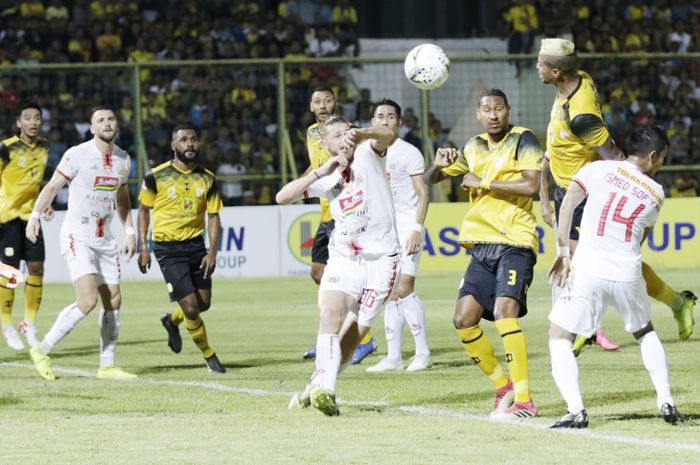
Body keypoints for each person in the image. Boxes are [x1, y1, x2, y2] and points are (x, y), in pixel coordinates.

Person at [536, 38, 696, 353]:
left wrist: (637, 187)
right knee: (600, 264)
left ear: (556, 71)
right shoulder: (578, 81)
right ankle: (673, 304)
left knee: (593, 263)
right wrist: (545, 191)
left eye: (540, 63)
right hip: (565, 190)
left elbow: (613, 155)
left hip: (583, 196)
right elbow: (561, 145)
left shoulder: (581, 116)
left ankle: (586, 327)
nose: (536, 67)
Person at [548, 125, 682, 428]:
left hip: (587, 267)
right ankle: (666, 401)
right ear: (652, 155)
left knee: (559, 337)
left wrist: (563, 253)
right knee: (645, 331)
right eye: (661, 158)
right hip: (627, 270)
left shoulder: (597, 169)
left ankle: (576, 410)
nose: (660, 164)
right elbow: (641, 236)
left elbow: (568, 204)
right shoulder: (656, 192)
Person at [424, 89, 542, 419]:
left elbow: (532, 185)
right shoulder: (473, 146)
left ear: (508, 111)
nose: (493, 114)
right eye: (487, 109)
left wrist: (485, 182)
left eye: (499, 108)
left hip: (516, 241)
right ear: (478, 115)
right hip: (481, 244)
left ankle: (524, 399)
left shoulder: (524, 139)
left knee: (506, 312)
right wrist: (437, 166)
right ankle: (502, 385)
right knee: (463, 320)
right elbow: (431, 179)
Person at [279, 115, 398, 416]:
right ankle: (326, 390)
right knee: (331, 314)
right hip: (344, 258)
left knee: (355, 331)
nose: (344, 138)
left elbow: (388, 134)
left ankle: (318, 383)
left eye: (347, 132)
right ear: (325, 143)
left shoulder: (369, 152)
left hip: (381, 261)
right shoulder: (327, 174)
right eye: (337, 136)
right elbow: (283, 197)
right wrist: (321, 170)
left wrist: (361, 135)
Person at [26, 105, 137, 381]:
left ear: (117, 124)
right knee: (87, 300)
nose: (107, 123)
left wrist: (130, 230)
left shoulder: (124, 159)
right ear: (92, 128)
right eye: (101, 120)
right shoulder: (78, 154)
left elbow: (122, 197)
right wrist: (35, 216)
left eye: (111, 119)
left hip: (105, 237)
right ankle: (42, 350)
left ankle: (107, 365)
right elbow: (52, 186)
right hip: (78, 234)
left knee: (113, 300)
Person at [137, 125, 226, 374]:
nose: (189, 144)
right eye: (183, 140)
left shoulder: (207, 178)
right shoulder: (155, 176)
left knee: (203, 304)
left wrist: (212, 252)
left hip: (196, 245)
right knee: (190, 307)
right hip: (168, 248)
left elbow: (214, 217)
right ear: (173, 145)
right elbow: (144, 211)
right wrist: (142, 246)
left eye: (193, 140)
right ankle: (210, 357)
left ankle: (170, 320)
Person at [302, 87, 376, 363]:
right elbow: (315, 166)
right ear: (311, 105)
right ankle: (330, 332)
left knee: (346, 279)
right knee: (317, 272)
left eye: (328, 100)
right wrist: (303, 184)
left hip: (347, 215)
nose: (323, 105)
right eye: (318, 101)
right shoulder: (312, 133)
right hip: (325, 213)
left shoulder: (351, 133)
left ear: (336, 103)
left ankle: (360, 340)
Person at [365, 99, 432, 373]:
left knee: (404, 288)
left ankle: (424, 353)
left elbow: (423, 192)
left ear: (399, 122)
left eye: (391, 116)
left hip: (407, 227)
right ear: (372, 122)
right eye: (380, 116)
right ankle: (394, 357)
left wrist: (417, 228)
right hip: (382, 231)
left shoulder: (409, 152)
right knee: (390, 292)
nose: (385, 121)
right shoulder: (367, 152)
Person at [0, 103, 52, 350]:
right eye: (28, 118)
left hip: (31, 217)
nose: (33, 122)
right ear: (19, 123)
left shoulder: (44, 146)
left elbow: (38, 180)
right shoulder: (6, 148)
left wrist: (45, 203)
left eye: (37, 118)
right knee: (10, 272)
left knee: (36, 268)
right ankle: (6, 324)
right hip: (8, 217)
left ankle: (29, 324)